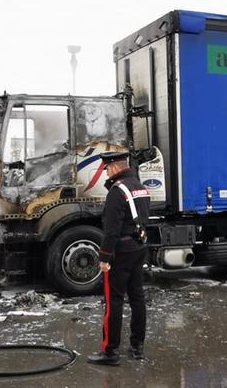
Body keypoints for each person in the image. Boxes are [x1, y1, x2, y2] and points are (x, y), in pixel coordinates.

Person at [87, 151, 151, 366]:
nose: (106, 172)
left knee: (113, 301)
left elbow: (111, 230)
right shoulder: (140, 187)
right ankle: (137, 347)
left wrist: (104, 258)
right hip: (138, 247)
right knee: (137, 298)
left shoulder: (117, 191)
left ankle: (110, 351)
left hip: (121, 252)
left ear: (114, 167)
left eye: (106, 168)